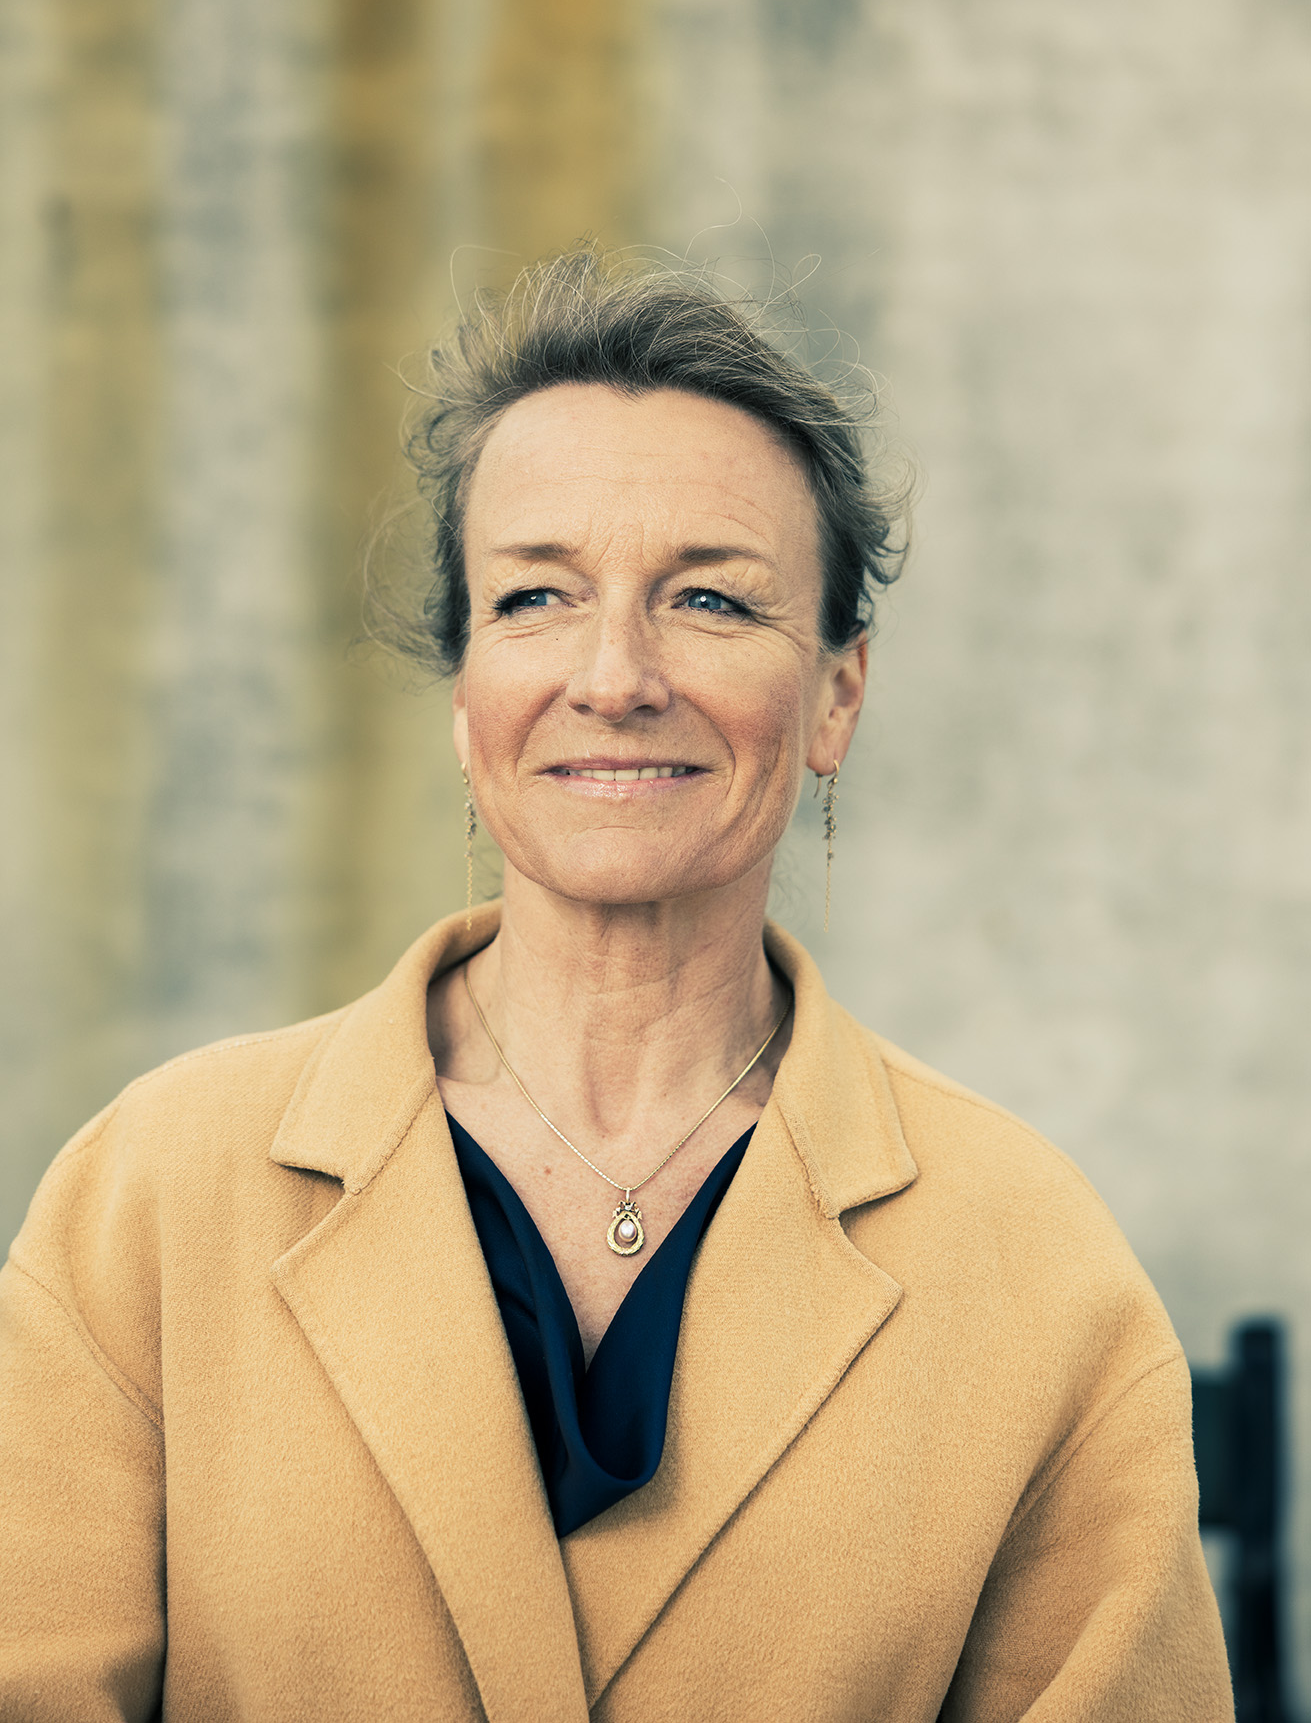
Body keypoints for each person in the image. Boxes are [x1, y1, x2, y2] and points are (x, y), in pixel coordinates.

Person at [0, 250, 1231, 1722]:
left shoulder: (1032, 1264)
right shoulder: (149, 1197)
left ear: (837, 693)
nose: (615, 675)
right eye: (536, 596)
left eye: (709, 599)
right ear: (467, 692)